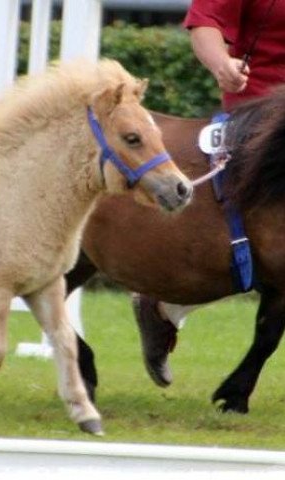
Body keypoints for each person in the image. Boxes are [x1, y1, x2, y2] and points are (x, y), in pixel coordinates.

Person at [134, 0, 285, 387]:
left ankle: (168, 305)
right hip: (264, 120)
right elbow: (207, 22)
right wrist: (223, 65)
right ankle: (167, 302)